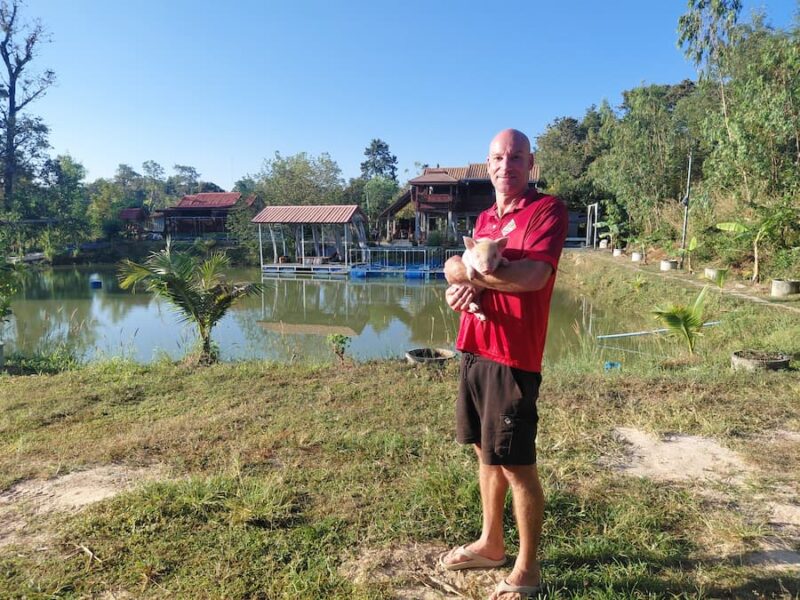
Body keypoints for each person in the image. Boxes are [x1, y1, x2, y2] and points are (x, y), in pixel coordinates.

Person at [439, 129, 568, 599]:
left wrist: (474, 272)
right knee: (484, 453)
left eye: (516, 157)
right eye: (498, 157)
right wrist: (461, 282)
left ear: (530, 163)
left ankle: (527, 572)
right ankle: (491, 543)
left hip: (514, 357)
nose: (506, 165)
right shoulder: (487, 217)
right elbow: (459, 266)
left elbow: (533, 277)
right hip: (474, 349)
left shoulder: (545, 211)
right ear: (488, 163)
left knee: (517, 465)